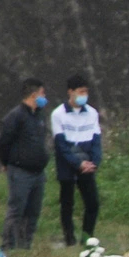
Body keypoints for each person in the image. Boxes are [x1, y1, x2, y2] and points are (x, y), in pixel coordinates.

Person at [0, 79, 49, 250]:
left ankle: (25, 246)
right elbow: (4, 142)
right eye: (42, 94)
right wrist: (6, 162)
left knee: (33, 212)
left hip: (38, 173)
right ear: (34, 95)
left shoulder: (38, 116)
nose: (44, 97)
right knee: (16, 210)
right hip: (20, 171)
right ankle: (8, 246)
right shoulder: (16, 116)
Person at [51, 74, 101, 247]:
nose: (84, 95)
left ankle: (87, 237)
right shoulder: (58, 114)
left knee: (92, 203)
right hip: (67, 165)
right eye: (81, 91)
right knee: (67, 204)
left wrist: (94, 162)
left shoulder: (92, 112)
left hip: (87, 164)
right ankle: (69, 239)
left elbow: (96, 141)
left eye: (86, 92)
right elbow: (61, 145)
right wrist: (77, 163)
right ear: (70, 92)